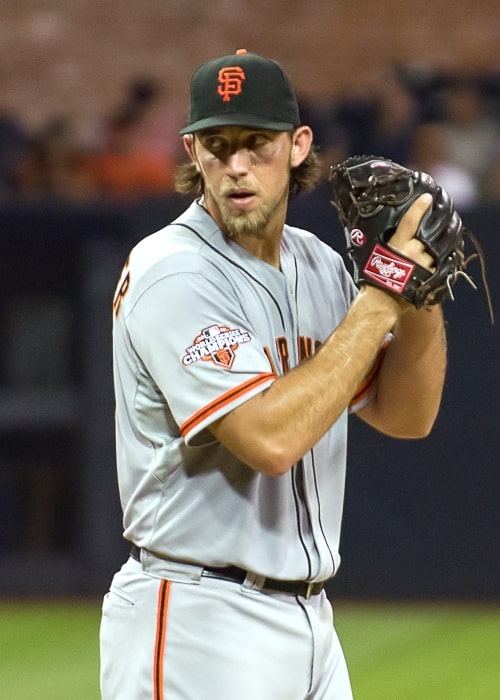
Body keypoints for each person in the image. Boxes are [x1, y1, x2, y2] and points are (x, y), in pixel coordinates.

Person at [100, 49, 447, 700]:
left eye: (256, 143)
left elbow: (408, 416)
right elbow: (269, 440)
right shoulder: (174, 271)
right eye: (217, 144)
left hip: (311, 620)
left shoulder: (316, 265)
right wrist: (379, 299)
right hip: (200, 620)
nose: (236, 165)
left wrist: (419, 294)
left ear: (297, 146)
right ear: (191, 150)